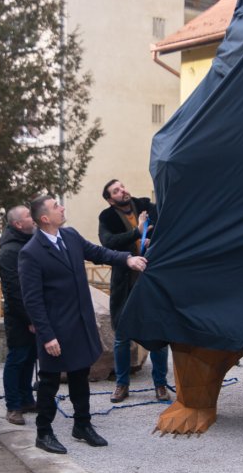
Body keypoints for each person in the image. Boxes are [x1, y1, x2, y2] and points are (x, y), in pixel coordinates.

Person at [18, 194, 146, 454]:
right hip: (56, 330)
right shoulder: (30, 253)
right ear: (45, 218)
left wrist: (126, 259)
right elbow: (32, 300)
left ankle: (82, 424)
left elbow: (98, 252)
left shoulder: (71, 236)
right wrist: (47, 335)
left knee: (80, 375)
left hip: (80, 324)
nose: (62, 207)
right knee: (50, 381)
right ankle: (44, 432)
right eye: (56, 206)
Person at [97, 178, 170, 402]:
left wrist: (152, 242)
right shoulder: (107, 217)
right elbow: (108, 242)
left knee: (158, 334)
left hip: (151, 282)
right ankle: (121, 384)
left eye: (122, 187)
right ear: (110, 200)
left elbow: (169, 227)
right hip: (125, 283)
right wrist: (137, 233)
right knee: (122, 336)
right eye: (116, 191)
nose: (123, 191)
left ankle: (160, 384)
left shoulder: (146, 206)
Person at [0, 205, 37, 425]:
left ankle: (27, 398)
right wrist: (29, 319)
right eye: (29, 216)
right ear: (18, 224)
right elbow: (13, 290)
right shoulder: (10, 251)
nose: (34, 218)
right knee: (17, 358)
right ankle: (13, 406)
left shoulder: (28, 243)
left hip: (32, 314)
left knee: (29, 357)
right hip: (19, 317)